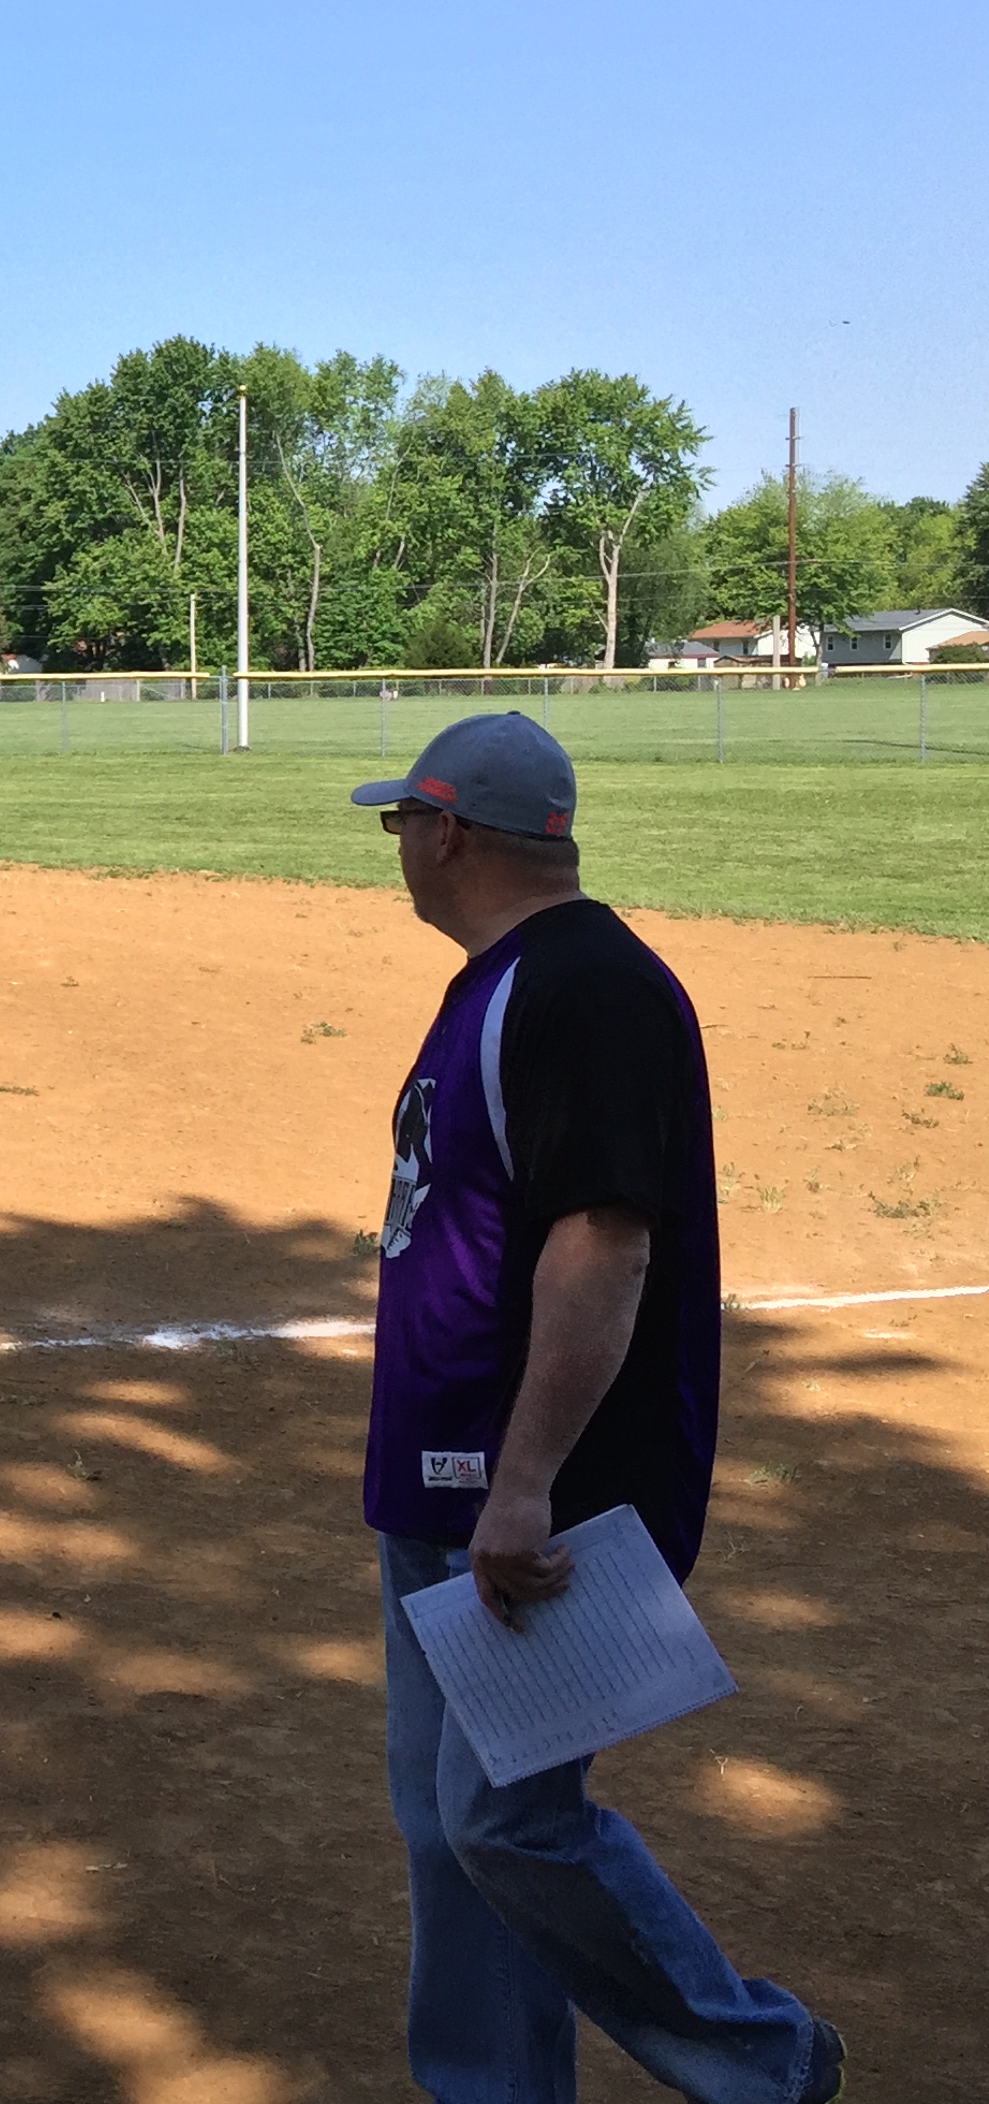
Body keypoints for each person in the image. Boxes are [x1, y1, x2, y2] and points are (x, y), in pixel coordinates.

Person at [351, 713, 843, 2104]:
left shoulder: (590, 989)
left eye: (403, 821)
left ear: (451, 832)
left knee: (506, 1822)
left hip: (534, 1499)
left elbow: (605, 1244)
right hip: (441, 1476)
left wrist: (524, 1484)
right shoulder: (505, 979)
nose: (397, 845)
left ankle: (764, 2061)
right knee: (445, 1826)